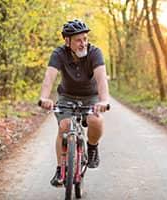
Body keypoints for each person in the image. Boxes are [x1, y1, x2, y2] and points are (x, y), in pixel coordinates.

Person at [39, 19, 110, 187]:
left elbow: (101, 79)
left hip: (90, 96)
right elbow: (49, 77)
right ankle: (60, 169)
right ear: (67, 41)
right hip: (67, 97)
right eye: (78, 40)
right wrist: (44, 98)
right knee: (64, 125)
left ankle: (92, 148)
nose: (83, 43)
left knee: (96, 120)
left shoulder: (95, 53)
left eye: (85, 39)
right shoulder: (59, 54)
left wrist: (104, 100)